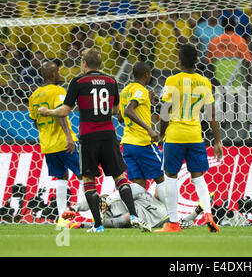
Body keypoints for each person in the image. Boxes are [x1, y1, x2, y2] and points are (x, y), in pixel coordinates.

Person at [38, 48, 150, 233]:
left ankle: (98, 226)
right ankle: (135, 216)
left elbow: (65, 111)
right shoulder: (111, 81)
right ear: (100, 63)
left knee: (89, 180)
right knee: (120, 178)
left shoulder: (78, 82)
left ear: (84, 63)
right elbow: (115, 111)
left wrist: (48, 112)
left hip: (89, 138)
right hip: (108, 135)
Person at [155, 44, 223, 233]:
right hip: (195, 135)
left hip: (175, 136)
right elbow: (211, 114)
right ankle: (208, 213)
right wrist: (217, 141)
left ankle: (173, 222)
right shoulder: (205, 82)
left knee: (170, 176)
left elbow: (164, 111)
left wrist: (161, 133)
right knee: (198, 176)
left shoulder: (172, 80)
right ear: (196, 61)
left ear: (179, 61)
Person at [28, 61, 82, 227]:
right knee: (86, 175)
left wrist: (46, 130)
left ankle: (62, 219)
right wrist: (68, 137)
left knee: (61, 177)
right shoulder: (58, 91)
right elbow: (61, 114)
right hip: (63, 142)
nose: (59, 74)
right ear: (52, 74)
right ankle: (94, 214)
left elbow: (35, 121)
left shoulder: (34, 95)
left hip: (48, 145)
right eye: (57, 72)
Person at [117, 61, 166, 206]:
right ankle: (173, 217)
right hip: (142, 142)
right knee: (162, 178)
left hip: (127, 144)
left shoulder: (125, 90)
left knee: (139, 185)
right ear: (147, 74)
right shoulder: (141, 91)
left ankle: (109, 199)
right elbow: (128, 111)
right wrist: (149, 129)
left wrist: (147, 101)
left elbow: (120, 118)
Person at [65, 183, 169, 229]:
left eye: (166, 190)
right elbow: (130, 191)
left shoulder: (166, 212)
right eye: (159, 187)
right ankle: (74, 208)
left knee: (128, 218)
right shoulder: (145, 194)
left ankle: (83, 225)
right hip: (114, 207)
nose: (160, 190)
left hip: (127, 218)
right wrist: (108, 200)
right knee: (103, 197)